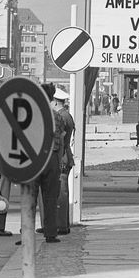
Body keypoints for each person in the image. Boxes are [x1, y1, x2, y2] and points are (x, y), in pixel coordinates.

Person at [34, 82, 65, 243]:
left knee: (29, 198)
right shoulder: (57, 116)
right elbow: (60, 140)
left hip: (33, 160)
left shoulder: (32, 114)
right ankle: (51, 233)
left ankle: (26, 232)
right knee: (51, 198)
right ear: (52, 97)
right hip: (51, 158)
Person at [54, 88, 75, 235]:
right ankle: (61, 224)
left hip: (62, 157)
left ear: (55, 101)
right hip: (65, 155)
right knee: (60, 192)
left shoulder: (61, 117)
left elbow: (60, 140)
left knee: (61, 193)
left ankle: (61, 225)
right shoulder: (66, 115)